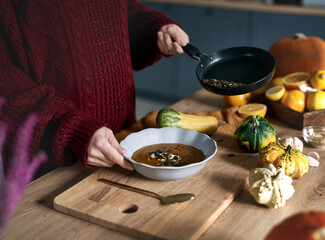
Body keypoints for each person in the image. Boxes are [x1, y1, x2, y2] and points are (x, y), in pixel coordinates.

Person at [0, 0, 189, 175]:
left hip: (123, 140)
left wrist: (153, 30)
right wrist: (72, 129)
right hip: (50, 163)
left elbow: (119, 10)